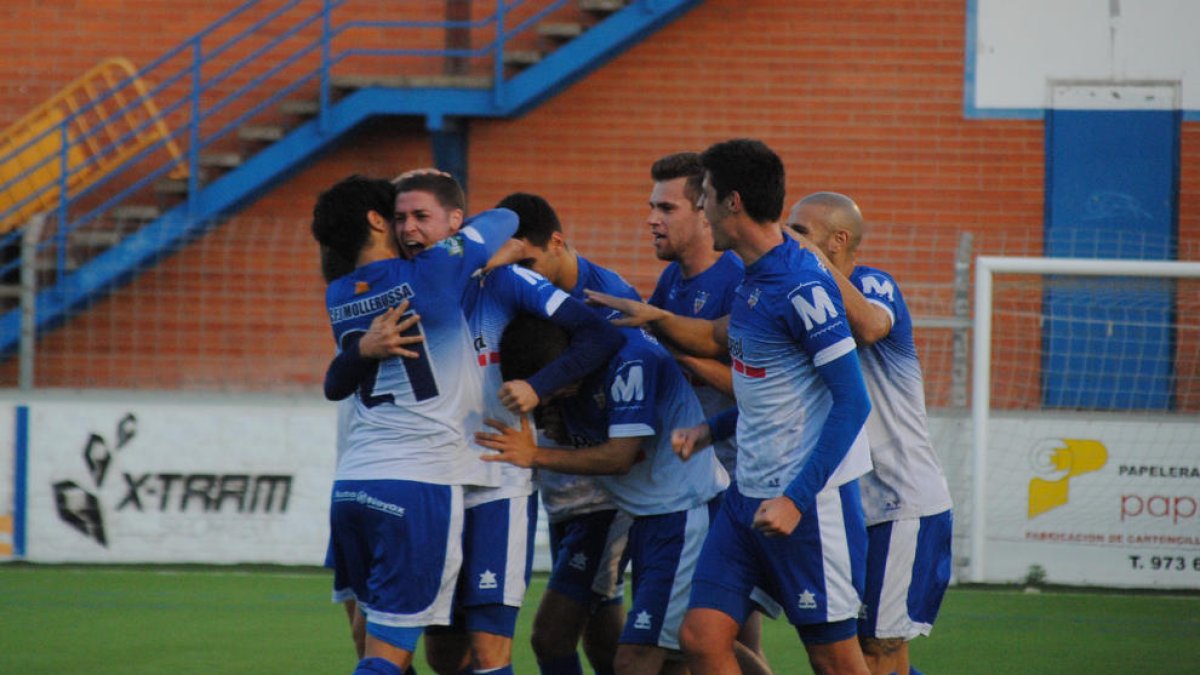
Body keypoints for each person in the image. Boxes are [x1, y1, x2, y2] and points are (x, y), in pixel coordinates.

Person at [588, 139, 874, 675]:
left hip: (808, 504)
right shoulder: (751, 279)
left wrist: (795, 499)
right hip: (746, 496)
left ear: (732, 202)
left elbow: (853, 402)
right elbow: (751, 373)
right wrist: (709, 425)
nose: (702, 210)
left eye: (706, 198)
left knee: (837, 662)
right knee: (700, 639)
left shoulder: (801, 285)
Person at [376, 171, 625, 675]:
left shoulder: (505, 279)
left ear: (457, 223)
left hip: (496, 479)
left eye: (422, 217)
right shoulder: (397, 289)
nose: (408, 229)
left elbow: (598, 334)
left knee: (492, 651)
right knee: (444, 653)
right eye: (400, 218)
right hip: (431, 484)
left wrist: (538, 385)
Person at [311, 174, 517, 675]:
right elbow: (506, 218)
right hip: (419, 483)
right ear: (377, 221)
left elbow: (336, 382)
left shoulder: (338, 293)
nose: (407, 226)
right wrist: (450, 218)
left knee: (379, 641)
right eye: (396, 215)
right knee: (386, 657)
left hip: (354, 483)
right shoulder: (432, 272)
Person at [476, 314, 730, 675]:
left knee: (635, 661)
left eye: (550, 387)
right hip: (648, 518)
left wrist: (534, 454)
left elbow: (619, 457)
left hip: (683, 515)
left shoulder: (630, 361)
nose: (548, 398)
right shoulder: (571, 371)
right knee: (685, 654)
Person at [785, 192, 953, 675]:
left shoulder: (872, 283)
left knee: (875, 649)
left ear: (838, 240)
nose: (789, 238)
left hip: (902, 500)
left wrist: (810, 262)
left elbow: (872, 327)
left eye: (801, 230)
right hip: (852, 505)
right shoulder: (801, 297)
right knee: (860, 650)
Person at [497, 192, 641, 675]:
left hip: (606, 493)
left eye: (530, 261)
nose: (523, 275)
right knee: (603, 637)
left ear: (557, 242)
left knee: (551, 637)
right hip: (564, 493)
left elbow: (635, 401)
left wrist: (543, 388)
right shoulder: (516, 292)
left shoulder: (607, 299)